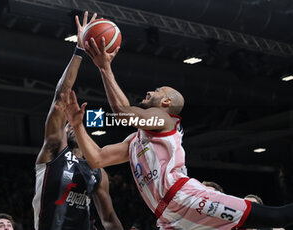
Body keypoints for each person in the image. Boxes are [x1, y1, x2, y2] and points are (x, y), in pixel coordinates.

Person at [60, 36, 293, 229]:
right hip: (167, 215)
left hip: (185, 197)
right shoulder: (135, 140)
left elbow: (123, 114)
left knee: (277, 218)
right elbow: (98, 157)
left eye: (158, 90)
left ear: (167, 102)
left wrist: (104, 67)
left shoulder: (165, 120)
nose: (151, 90)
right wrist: (78, 127)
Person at [32, 12, 123, 230]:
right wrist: (80, 49)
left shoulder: (97, 171)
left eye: (74, 125)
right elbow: (61, 96)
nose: (69, 126)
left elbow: (109, 219)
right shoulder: (54, 152)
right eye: (67, 124)